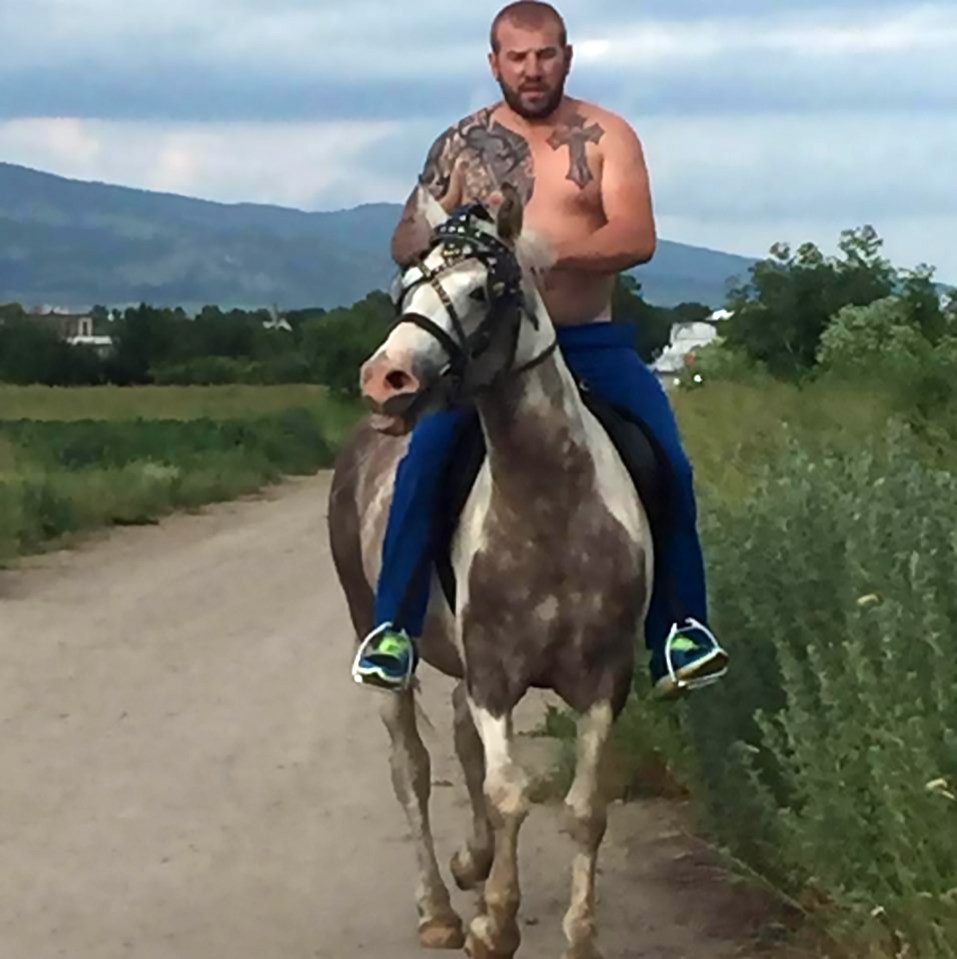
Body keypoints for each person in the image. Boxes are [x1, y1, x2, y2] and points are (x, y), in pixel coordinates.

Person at [352, 0, 729, 700]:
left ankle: (679, 628)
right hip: (486, 356)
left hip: (587, 342)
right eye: (516, 57)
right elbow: (405, 236)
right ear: (493, 63)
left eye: (545, 54)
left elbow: (634, 236)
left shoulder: (606, 136)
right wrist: (457, 240)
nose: (532, 70)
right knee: (425, 464)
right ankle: (396, 630)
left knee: (664, 461)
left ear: (566, 57)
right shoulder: (460, 145)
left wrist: (533, 255)